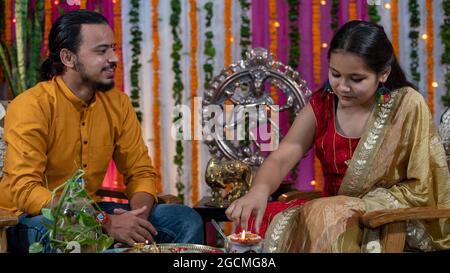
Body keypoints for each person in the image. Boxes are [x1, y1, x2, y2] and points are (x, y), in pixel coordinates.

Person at [226, 20, 450, 252]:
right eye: (335, 74)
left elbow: (422, 186)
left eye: (356, 79)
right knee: (255, 220)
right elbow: (281, 158)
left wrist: (359, 206)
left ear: (383, 73)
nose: (342, 86)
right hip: (328, 216)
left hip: (388, 219)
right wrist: (258, 191)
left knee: (326, 215)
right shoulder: (322, 106)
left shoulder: (406, 105)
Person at [0, 10, 203, 253]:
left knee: (184, 218)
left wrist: (137, 218)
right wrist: (105, 223)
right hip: (32, 219)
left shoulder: (117, 103)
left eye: (113, 48)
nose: (114, 58)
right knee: (70, 236)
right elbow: (26, 190)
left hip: (93, 212)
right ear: (68, 58)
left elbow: (140, 172)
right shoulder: (32, 105)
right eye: (101, 51)